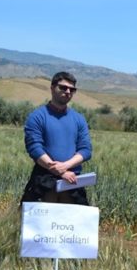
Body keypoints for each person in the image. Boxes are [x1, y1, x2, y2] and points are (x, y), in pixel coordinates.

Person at [21, 71, 92, 205]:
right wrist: (59, 172)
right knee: (40, 224)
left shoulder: (79, 119)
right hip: (44, 182)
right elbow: (35, 148)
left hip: (72, 182)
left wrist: (64, 167)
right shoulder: (37, 116)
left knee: (72, 224)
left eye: (72, 89)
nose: (67, 91)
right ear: (52, 88)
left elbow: (86, 150)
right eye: (63, 87)